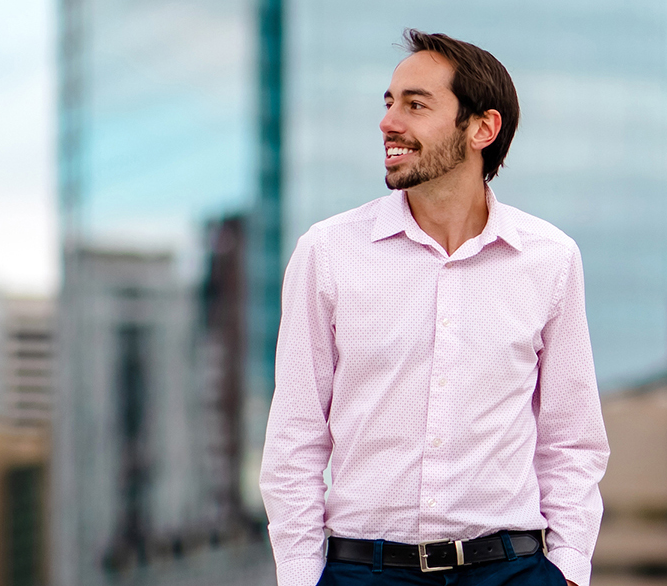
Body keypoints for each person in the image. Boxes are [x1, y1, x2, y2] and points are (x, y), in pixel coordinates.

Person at [259, 29, 609, 586]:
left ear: (482, 129)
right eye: (390, 102)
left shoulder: (551, 259)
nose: (389, 122)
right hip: (363, 571)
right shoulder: (327, 252)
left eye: (416, 105)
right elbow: (296, 439)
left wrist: (567, 571)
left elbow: (572, 439)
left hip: (512, 571)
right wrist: (301, 577)